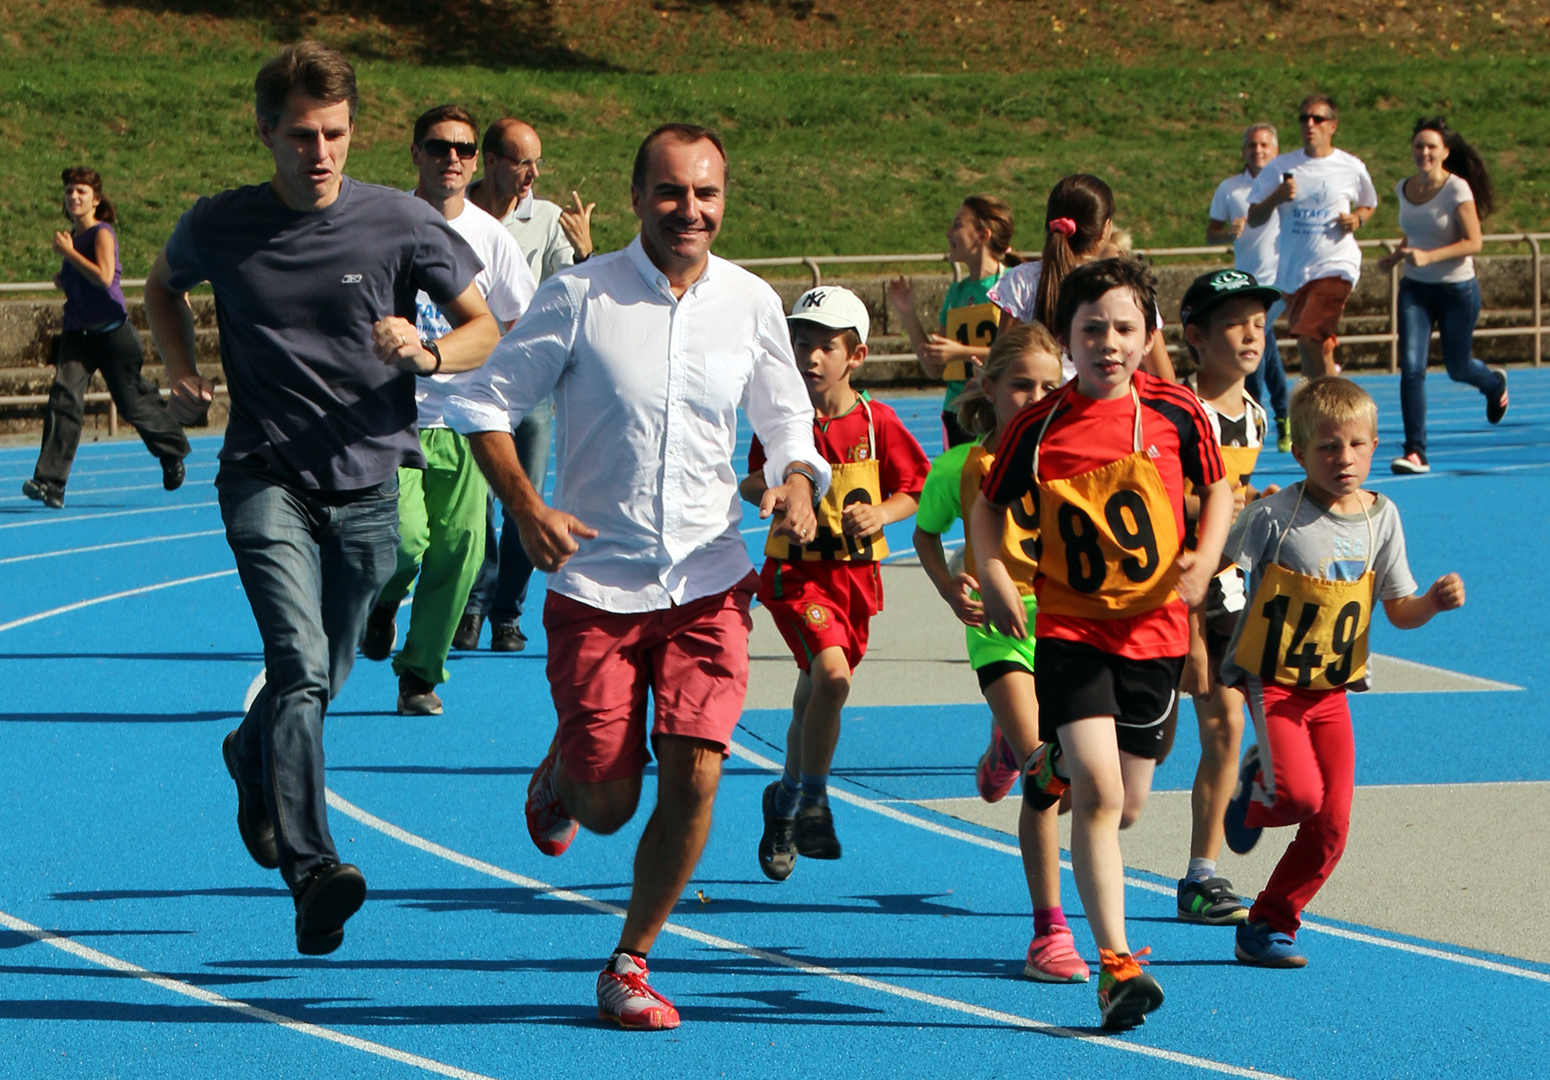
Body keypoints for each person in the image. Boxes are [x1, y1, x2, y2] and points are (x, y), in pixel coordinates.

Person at [444, 123, 829, 1030]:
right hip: (596, 586)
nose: (689, 210)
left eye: (706, 193)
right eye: (670, 192)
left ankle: (631, 960)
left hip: (709, 577)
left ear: (724, 200)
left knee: (697, 772)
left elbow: (788, 421)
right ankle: (565, 774)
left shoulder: (750, 302)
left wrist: (800, 484)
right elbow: (484, 403)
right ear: (635, 198)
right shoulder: (578, 295)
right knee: (609, 806)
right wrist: (527, 508)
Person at [144, 41, 498, 956]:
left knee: (326, 679)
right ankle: (313, 872)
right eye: (301, 135)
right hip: (265, 477)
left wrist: (424, 354)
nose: (321, 153)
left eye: (336, 134)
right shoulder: (223, 223)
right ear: (266, 132)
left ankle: (247, 754)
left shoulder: (400, 222)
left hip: (372, 485)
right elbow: (161, 286)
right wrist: (182, 373)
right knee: (298, 667)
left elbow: (483, 329)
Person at [973, 257, 1234, 1031]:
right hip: (1072, 630)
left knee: (1129, 800)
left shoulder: (1180, 413)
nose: (1109, 344)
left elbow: (1218, 490)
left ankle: (1043, 761)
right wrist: (991, 572)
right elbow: (988, 507)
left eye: (1124, 328)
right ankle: (1116, 967)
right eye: (1092, 330)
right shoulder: (1040, 424)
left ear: (1148, 333)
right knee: (1101, 794)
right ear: (1066, 340)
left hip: (1154, 631)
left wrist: (1204, 560)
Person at [1220, 377, 1465, 967]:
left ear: (1375, 446)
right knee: (1302, 795)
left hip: (1332, 690)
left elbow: (1398, 609)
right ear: (1300, 453)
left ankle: (1269, 923)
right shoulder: (1275, 516)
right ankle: (1258, 792)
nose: (1344, 458)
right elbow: (1219, 567)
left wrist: (1430, 603)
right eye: (1328, 447)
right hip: (1272, 680)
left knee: (1332, 825)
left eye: (1356, 445)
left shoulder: (1383, 518)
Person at [911, 323, 1091, 983]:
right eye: (1022, 385)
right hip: (999, 627)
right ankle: (1049, 933)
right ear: (989, 388)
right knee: (1047, 776)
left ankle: (1003, 749)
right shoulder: (962, 468)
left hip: (1072, 627)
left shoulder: (1080, 460)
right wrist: (949, 585)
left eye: (1052, 386)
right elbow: (927, 536)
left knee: (1080, 782)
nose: (1037, 397)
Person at [747, 285, 930, 880]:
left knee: (815, 690)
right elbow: (751, 480)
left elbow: (915, 487)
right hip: (797, 577)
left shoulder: (877, 422)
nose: (810, 357)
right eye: (801, 343)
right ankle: (810, 801)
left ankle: (784, 800)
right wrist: (770, 492)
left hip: (854, 581)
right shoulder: (782, 420)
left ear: (856, 356)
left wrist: (883, 513)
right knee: (831, 677)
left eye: (825, 346)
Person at [359, 105, 536, 716]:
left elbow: (517, 318)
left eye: (463, 148)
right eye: (438, 148)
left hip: (462, 415)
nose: (452, 159)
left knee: (459, 549)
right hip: (391, 415)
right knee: (404, 542)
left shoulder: (493, 238)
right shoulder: (382, 223)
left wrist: (491, 377)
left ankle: (419, 674)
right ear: (416, 154)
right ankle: (381, 604)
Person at [455, 116, 596, 653]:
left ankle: (507, 611)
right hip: (463, 380)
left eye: (537, 161)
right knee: (474, 509)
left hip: (529, 384)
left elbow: (577, 291)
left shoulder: (549, 221)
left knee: (523, 500)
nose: (533, 173)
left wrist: (584, 252)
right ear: (490, 162)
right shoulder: (451, 212)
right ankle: (471, 605)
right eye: (521, 162)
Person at [1172, 268, 1285, 928]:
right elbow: (1160, 499)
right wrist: (1213, 505)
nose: (1251, 334)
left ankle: (1200, 877)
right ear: (1195, 337)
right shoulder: (1177, 412)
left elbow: (1232, 500)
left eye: (1260, 324)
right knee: (1145, 754)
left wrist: (1255, 508)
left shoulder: (1256, 415)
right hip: (1165, 588)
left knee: (1225, 724)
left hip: (1227, 589)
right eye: (1235, 323)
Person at [23, 166, 190, 510]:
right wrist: (64, 276)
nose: (73, 197)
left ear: (95, 200)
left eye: (81, 192)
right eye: (69, 191)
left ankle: (172, 450)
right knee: (63, 398)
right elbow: (83, 278)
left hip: (112, 334)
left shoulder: (102, 234)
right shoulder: (73, 236)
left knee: (132, 403)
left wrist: (69, 255)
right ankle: (51, 483)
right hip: (78, 334)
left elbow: (103, 277)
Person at [1377, 117, 1509, 475]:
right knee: (1411, 369)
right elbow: (1417, 234)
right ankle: (1415, 451)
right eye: (1419, 146)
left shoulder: (1457, 190)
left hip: (1456, 290)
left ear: (1445, 152)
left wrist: (1429, 256)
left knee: (1457, 367)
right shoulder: (1402, 187)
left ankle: (1494, 383)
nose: (1424, 152)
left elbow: (1474, 242)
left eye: (1431, 146)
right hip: (1414, 290)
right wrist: (1396, 256)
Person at [987, 175, 1178, 382]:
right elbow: (1163, 376)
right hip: (1107, 407)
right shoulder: (1126, 286)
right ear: (1105, 229)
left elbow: (1000, 364)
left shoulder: (1021, 279)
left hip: (1042, 408)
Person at [1248, 94, 1378, 379]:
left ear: (1332, 125)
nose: (1309, 124)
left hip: (1335, 266)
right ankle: (1337, 411)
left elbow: (1370, 203)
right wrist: (1276, 198)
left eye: (1317, 118)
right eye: (1304, 118)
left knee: (1308, 338)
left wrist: (1358, 219)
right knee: (1320, 346)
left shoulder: (1350, 166)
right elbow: (1254, 218)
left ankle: (1317, 408)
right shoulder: (1279, 168)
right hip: (1295, 272)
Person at [884, 196, 1014, 449]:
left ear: (983, 234)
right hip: (958, 413)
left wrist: (960, 353)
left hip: (996, 410)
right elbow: (934, 368)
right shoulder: (956, 292)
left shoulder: (1010, 284)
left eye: (957, 225)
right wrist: (907, 312)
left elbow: (1012, 357)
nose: (948, 233)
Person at [1207, 123, 1291, 451]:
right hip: (1245, 283)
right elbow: (1211, 232)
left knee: (1257, 340)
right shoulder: (1230, 189)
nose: (1258, 151)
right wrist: (1229, 231)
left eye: (1265, 145)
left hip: (1281, 281)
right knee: (1263, 343)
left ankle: (1257, 409)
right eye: (1253, 145)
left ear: (1276, 150)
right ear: (1244, 150)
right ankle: (1279, 414)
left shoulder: (1289, 185)